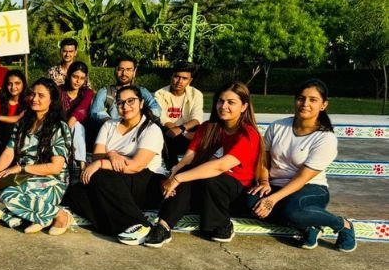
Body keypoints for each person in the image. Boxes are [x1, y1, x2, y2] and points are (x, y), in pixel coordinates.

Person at [144, 81, 262, 248]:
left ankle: (222, 224)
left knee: (209, 178)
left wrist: (179, 178)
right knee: (186, 172)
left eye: (231, 102)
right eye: (220, 101)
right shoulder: (208, 127)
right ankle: (163, 226)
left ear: (243, 107)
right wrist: (173, 175)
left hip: (235, 191)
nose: (223, 106)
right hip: (207, 188)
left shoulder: (248, 134)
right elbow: (188, 157)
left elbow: (221, 166)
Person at [247, 79, 356, 252]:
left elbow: (302, 178)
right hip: (275, 185)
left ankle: (343, 225)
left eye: (313, 100)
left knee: (294, 212)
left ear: (323, 105)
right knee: (250, 203)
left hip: (310, 188)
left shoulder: (325, 138)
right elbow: (263, 160)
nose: (305, 104)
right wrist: (264, 182)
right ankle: (309, 226)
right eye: (301, 98)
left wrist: (272, 200)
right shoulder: (278, 126)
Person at [66, 84, 167, 245]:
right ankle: (116, 227)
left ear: (141, 103)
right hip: (116, 182)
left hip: (147, 181)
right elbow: (98, 155)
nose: (125, 106)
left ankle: (141, 224)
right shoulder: (109, 125)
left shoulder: (151, 129)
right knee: (76, 192)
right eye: (120, 102)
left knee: (99, 175)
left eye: (131, 101)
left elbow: (136, 166)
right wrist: (112, 155)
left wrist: (101, 163)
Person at [0, 77, 72, 235]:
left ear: (52, 100)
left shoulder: (58, 127)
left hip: (51, 180)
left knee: (8, 195)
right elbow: (8, 152)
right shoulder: (23, 123)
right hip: (24, 177)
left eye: (41, 95)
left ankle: (60, 215)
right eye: (32, 94)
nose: (34, 99)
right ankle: (38, 218)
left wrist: (21, 167)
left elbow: (55, 167)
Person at [88, 57, 161, 145]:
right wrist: (115, 124)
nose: (124, 73)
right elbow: (96, 112)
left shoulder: (142, 91)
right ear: (115, 70)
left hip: (139, 131)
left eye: (128, 70)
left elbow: (156, 109)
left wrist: (137, 120)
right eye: (121, 69)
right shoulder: (105, 92)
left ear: (134, 72)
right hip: (112, 134)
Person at [154, 62, 204, 169]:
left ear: (190, 80)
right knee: (161, 130)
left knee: (203, 130)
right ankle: (171, 167)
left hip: (187, 131)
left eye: (184, 78)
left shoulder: (196, 94)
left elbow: (197, 118)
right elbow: (162, 118)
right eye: (177, 76)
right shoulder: (159, 94)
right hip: (169, 133)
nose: (179, 81)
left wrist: (182, 130)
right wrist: (180, 131)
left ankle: (194, 167)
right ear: (171, 76)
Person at [59, 62, 95, 174]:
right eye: (75, 77)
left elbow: (81, 111)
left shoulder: (87, 93)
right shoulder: (59, 90)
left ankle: (81, 165)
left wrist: (67, 127)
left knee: (77, 126)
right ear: (69, 75)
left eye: (82, 78)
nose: (78, 81)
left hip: (80, 131)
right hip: (60, 126)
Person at [0, 69, 28, 164]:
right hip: (1, 142)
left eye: (17, 83)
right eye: (9, 84)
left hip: (22, 141)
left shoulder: (29, 101)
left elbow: (18, 119)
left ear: (23, 84)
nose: (13, 87)